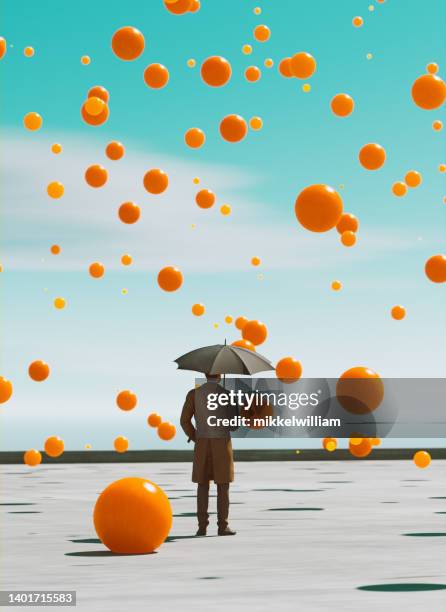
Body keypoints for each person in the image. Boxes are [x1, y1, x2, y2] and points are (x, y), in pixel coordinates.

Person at [180, 373, 237, 536]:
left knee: (202, 485)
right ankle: (222, 526)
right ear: (220, 376)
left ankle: (202, 527)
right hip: (221, 444)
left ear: (205, 375)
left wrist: (195, 436)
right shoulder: (227, 395)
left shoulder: (193, 394)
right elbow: (233, 426)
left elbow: (184, 420)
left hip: (202, 444)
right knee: (223, 485)